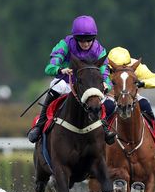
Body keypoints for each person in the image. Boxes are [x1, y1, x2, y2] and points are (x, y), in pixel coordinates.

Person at [26, 15, 115, 144]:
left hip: (88, 87)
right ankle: (40, 125)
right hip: (68, 83)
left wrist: (106, 84)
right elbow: (50, 67)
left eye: (89, 40)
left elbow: (105, 72)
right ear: (75, 38)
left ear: (94, 38)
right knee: (57, 85)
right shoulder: (65, 44)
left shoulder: (99, 50)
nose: (85, 44)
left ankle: (104, 126)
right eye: (81, 40)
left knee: (108, 102)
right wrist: (60, 70)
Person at [104, 47, 155, 155]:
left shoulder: (137, 66)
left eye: (125, 67)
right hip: (109, 95)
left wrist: (142, 83)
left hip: (130, 96)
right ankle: (96, 141)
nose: (122, 69)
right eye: (117, 68)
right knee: (107, 106)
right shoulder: (102, 66)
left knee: (145, 103)